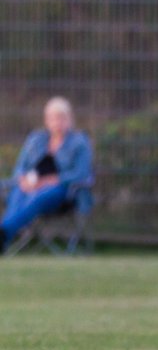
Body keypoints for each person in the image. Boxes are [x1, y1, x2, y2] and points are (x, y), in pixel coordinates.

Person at [1, 97, 93, 252]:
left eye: (61, 118)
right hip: (29, 187)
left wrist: (50, 180)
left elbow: (81, 174)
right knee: (18, 192)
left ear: (69, 119)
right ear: (46, 120)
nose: (57, 123)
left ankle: (4, 233)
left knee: (39, 196)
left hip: (63, 193)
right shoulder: (35, 140)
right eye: (52, 118)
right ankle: (3, 235)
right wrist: (23, 180)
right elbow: (20, 168)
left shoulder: (79, 143)